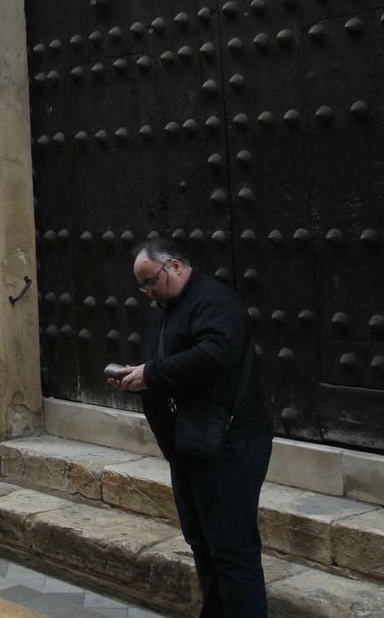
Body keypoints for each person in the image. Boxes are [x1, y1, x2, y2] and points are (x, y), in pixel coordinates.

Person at [108, 239, 271, 616]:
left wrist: (152, 373)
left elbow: (216, 355)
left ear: (176, 266)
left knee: (233, 550)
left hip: (228, 445)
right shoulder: (167, 307)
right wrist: (138, 374)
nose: (148, 292)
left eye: (151, 280)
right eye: (142, 286)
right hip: (190, 445)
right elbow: (166, 362)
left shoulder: (215, 302)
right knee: (202, 543)